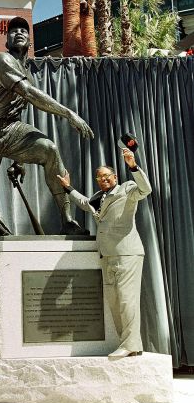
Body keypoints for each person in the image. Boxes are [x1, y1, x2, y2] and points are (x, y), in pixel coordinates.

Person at [0, 17, 94, 236]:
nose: (19, 33)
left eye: (24, 30)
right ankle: (2, 231)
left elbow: (15, 111)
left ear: (30, 43)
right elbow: (30, 94)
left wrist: (18, 157)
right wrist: (69, 113)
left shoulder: (27, 73)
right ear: (6, 41)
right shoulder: (1, 61)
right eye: (13, 31)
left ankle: (68, 220)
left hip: (10, 129)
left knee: (49, 150)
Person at [57, 148, 152, 357]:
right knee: (115, 302)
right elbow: (84, 204)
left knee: (127, 300)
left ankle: (131, 345)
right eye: (99, 177)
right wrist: (68, 187)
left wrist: (133, 166)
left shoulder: (127, 189)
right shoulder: (98, 197)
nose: (103, 180)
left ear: (115, 177)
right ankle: (129, 345)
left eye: (106, 176)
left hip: (126, 254)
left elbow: (146, 189)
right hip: (106, 256)